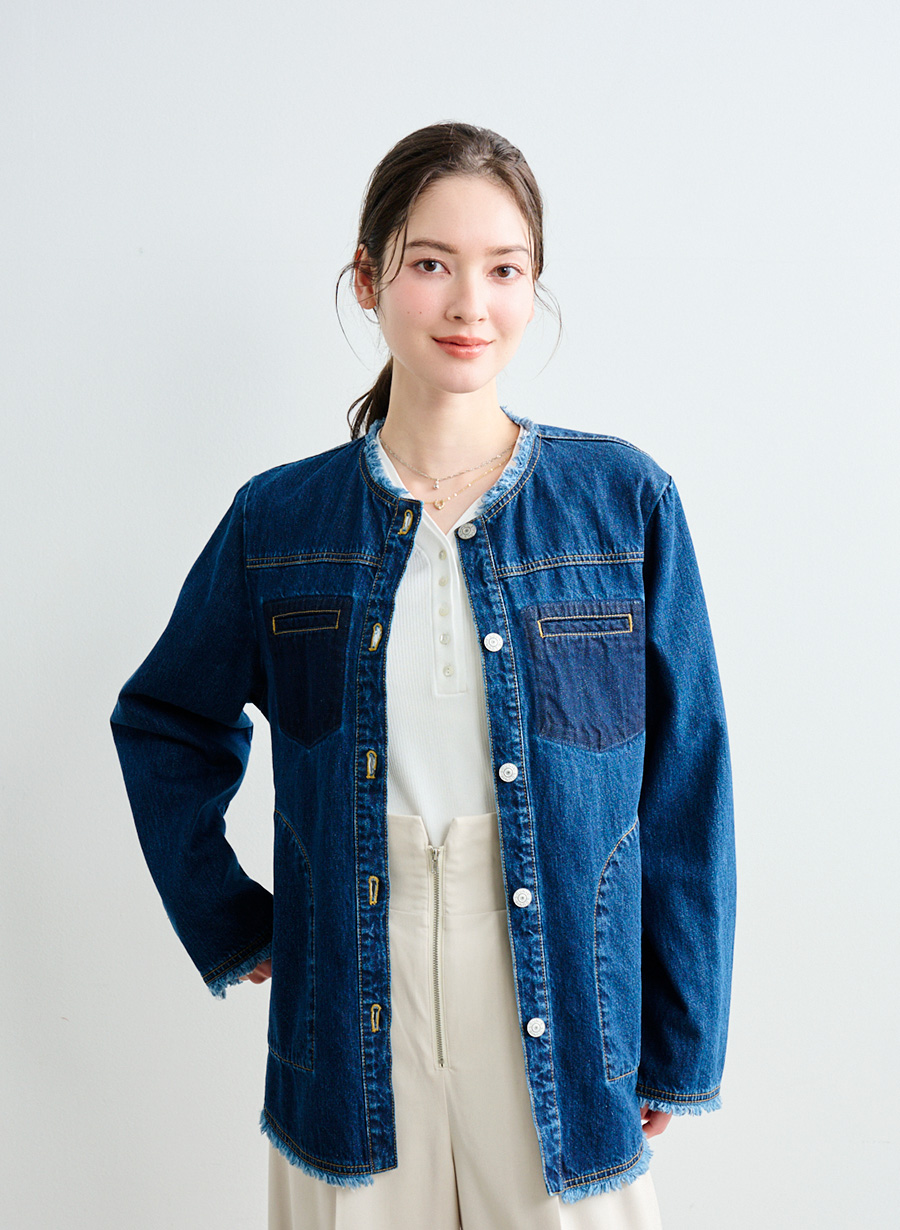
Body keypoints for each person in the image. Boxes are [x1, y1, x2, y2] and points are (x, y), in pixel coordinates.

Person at [110, 121, 736, 1230]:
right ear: (368, 279)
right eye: (432, 264)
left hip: (563, 995)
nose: (470, 305)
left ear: (534, 287)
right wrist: (232, 923)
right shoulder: (281, 520)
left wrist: (678, 1046)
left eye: (505, 270)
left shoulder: (621, 503)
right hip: (354, 987)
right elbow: (165, 719)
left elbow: (686, 786)